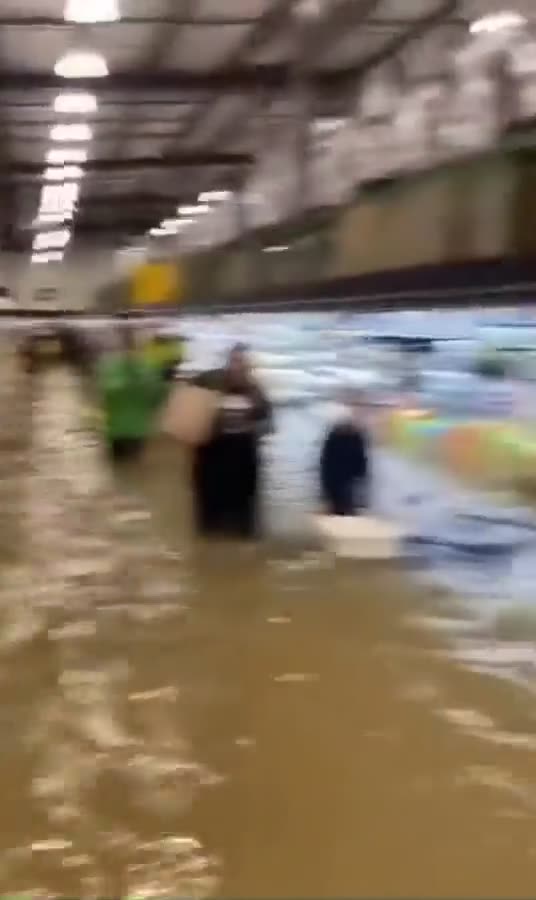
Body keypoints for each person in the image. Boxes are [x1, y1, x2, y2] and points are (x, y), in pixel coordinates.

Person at [191, 344, 273, 539]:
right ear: (228, 363)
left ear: (249, 368)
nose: (238, 368)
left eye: (243, 364)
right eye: (235, 362)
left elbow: (268, 424)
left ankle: (245, 556)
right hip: (212, 457)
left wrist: (254, 426)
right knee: (209, 519)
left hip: (243, 459)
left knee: (245, 520)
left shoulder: (256, 392)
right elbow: (188, 405)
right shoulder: (210, 382)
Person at [97, 324, 160, 463]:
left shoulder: (109, 368)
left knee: (120, 466)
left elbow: (104, 395)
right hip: (137, 428)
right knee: (134, 463)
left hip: (117, 428)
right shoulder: (147, 369)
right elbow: (155, 398)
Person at [319, 390, 370, 516]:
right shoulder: (351, 434)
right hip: (341, 477)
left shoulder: (352, 434)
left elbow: (361, 459)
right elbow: (361, 459)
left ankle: (342, 514)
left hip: (343, 477)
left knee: (343, 504)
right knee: (344, 504)